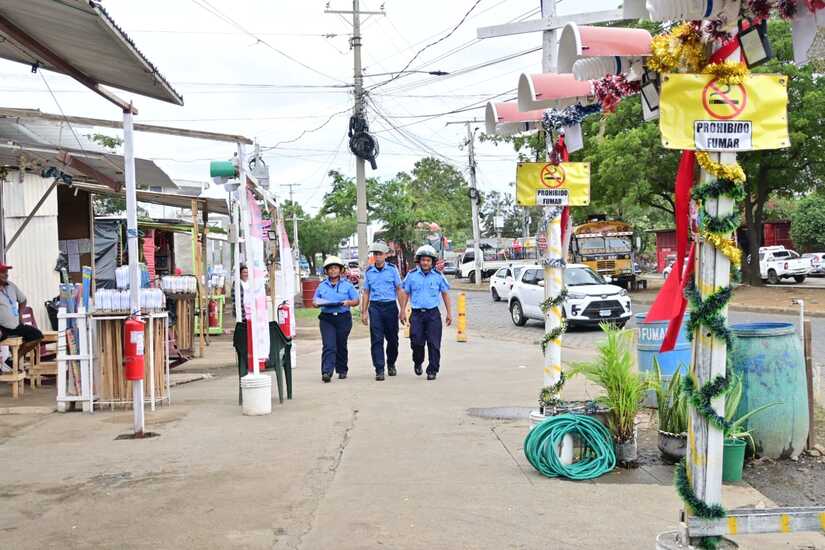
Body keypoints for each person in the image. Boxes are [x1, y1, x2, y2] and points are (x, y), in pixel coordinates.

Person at [400, 245, 452, 381]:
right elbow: (405, 293)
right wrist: (402, 311)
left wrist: (449, 313)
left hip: (433, 315)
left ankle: (432, 370)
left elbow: (445, 294)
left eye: (428, 260)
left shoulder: (438, 277)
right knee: (416, 342)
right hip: (416, 315)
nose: (425, 263)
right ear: (419, 261)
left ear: (432, 262)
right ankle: (418, 362)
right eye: (423, 260)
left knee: (434, 344)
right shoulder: (411, 276)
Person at [313, 256, 359, 383]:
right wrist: (318, 303)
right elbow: (314, 301)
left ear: (340, 270)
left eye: (335, 268)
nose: (333, 271)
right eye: (330, 269)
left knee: (341, 344)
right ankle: (327, 371)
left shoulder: (348, 286)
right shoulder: (322, 286)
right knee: (329, 345)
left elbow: (356, 300)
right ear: (326, 271)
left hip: (343, 317)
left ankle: (342, 369)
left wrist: (348, 302)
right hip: (327, 318)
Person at [361, 242, 403, 381]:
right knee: (376, 340)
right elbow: (366, 292)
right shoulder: (369, 271)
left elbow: (399, 289)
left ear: (385, 255)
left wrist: (402, 310)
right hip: (375, 307)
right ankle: (379, 369)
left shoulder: (392, 270)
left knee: (393, 340)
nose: (377, 257)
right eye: (375, 254)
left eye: (380, 254)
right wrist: (364, 311)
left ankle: (391, 363)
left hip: (390, 306)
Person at [0, 263, 42, 370]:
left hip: (15, 325)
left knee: (37, 335)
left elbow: (23, 300)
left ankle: (13, 359)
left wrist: (20, 314)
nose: (6, 275)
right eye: (3, 272)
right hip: (2, 327)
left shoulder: (11, 286)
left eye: (6, 272)